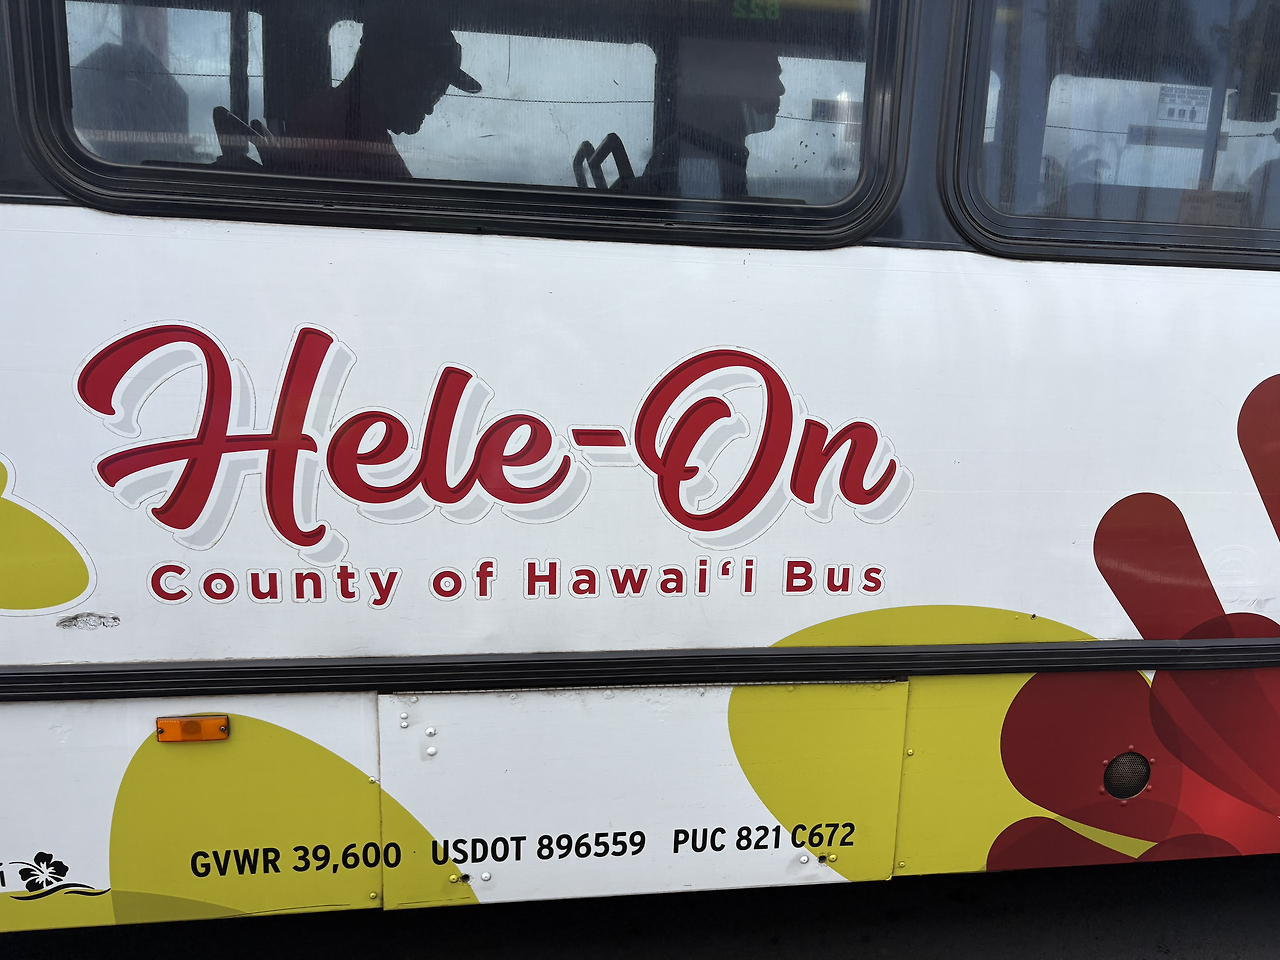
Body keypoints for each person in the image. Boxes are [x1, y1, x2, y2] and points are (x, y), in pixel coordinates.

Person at [274, 4, 480, 179]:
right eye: (427, 88)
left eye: (437, 95)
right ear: (385, 65)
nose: (429, 108)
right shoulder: (345, 132)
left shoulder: (352, 124)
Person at [636, 38, 784, 199]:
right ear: (732, 86)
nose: (781, 89)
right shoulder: (692, 158)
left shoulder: (722, 149)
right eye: (769, 75)